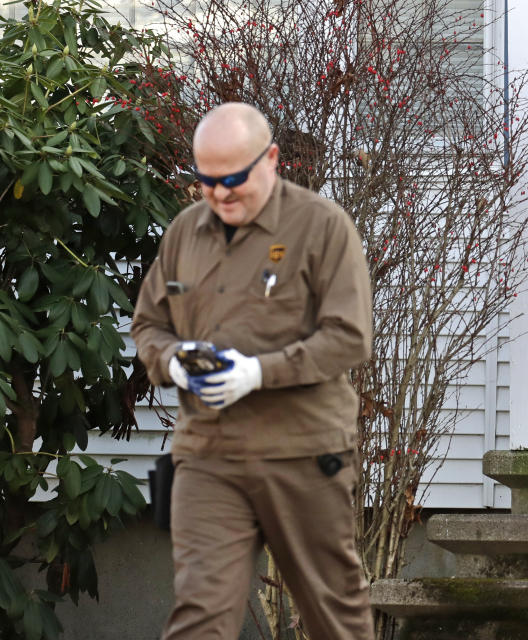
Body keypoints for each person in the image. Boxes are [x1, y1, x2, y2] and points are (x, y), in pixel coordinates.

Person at [131, 102, 375, 640]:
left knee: (332, 610)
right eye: (207, 181)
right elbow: (148, 325)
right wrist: (173, 361)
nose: (220, 194)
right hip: (208, 454)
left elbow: (350, 337)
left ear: (271, 159)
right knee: (200, 614)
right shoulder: (183, 233)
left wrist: (257, 373)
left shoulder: (323, 227)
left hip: (304, 452)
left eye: (235, 178)